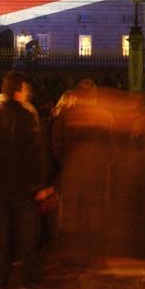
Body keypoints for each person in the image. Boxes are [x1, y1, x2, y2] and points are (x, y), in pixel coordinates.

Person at [0, 72, 50, 288]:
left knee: (0, 234)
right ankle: (28, 276)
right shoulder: (27, 118)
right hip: (23, 186)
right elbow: (37, 154)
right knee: (27, 234)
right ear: (18, 92)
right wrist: (40, 184)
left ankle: (0, 277)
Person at [51, 79, 115, 266]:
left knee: (72, 216)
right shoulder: (106, 117)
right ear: (95, 96)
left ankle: (72, 258)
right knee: (95, 215)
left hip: (72, 173)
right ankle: (94, 255)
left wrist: (67, 162)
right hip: (98, 174)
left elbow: (56, 145)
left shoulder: (66, 116)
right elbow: (112, 148)